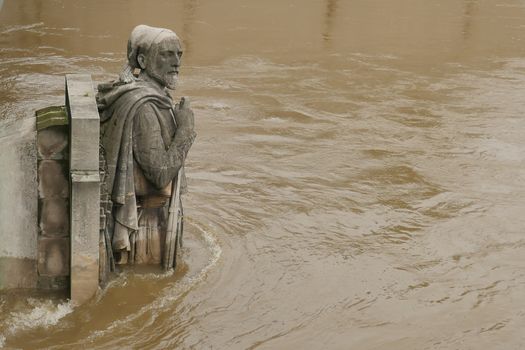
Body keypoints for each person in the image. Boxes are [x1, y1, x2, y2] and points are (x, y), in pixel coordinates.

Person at [97, 25, 196, 266]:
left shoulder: (152, 98)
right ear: (142, 60)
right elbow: (160, 174)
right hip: (146, 228)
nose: (176, 62)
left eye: (178, 54)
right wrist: (185, 131)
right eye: (166, 54)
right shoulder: (144, 108)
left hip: (153, 218)